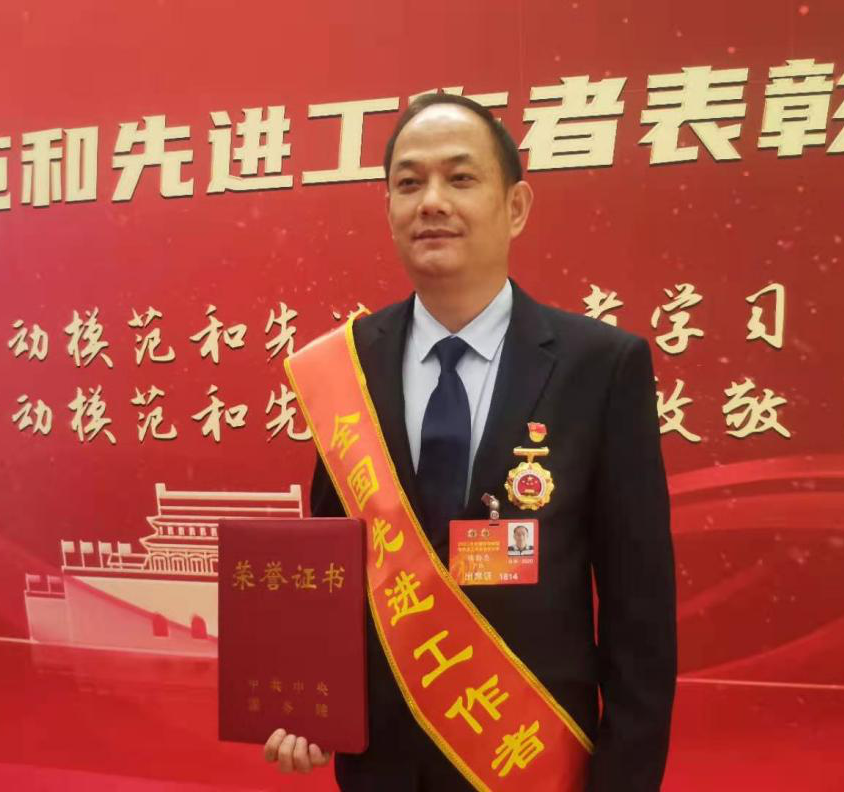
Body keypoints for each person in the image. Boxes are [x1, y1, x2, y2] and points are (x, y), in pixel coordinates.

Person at [264, 92, 676, 791]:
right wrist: (308, 704)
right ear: (388, 208)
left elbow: (640, 615)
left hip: (529, 760)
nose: (431, 202)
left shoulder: (600, 366)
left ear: (515, 207)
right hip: (381, 770)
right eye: (408, 183)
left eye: (459, 178)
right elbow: (332, 568)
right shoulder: (348, 365)